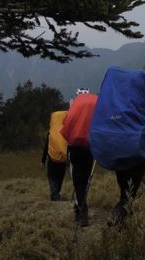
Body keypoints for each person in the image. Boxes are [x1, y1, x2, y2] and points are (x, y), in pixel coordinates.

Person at [110, 91, 145, 226]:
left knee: (124, 189)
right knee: (130, 192)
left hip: (118, 148)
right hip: (138, 151)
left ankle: (121, 222)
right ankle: (119, 220)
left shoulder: (122, 96)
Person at [60, 88, 98, 227]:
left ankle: (82, 210)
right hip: (90, 147)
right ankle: (81, 207)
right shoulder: (95, 103)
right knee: (86, 178)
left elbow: (67, 122)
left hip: (75, 147)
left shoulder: (76, 104)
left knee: (78, 181)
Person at [41, 110, 69, 201]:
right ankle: (56, 193)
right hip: (63, 159)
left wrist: (43, 160)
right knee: (60, 177)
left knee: (52, 176)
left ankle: (54, 193)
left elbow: (46, 147)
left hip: (52, 159)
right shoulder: (66, 132)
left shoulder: (51, 132)